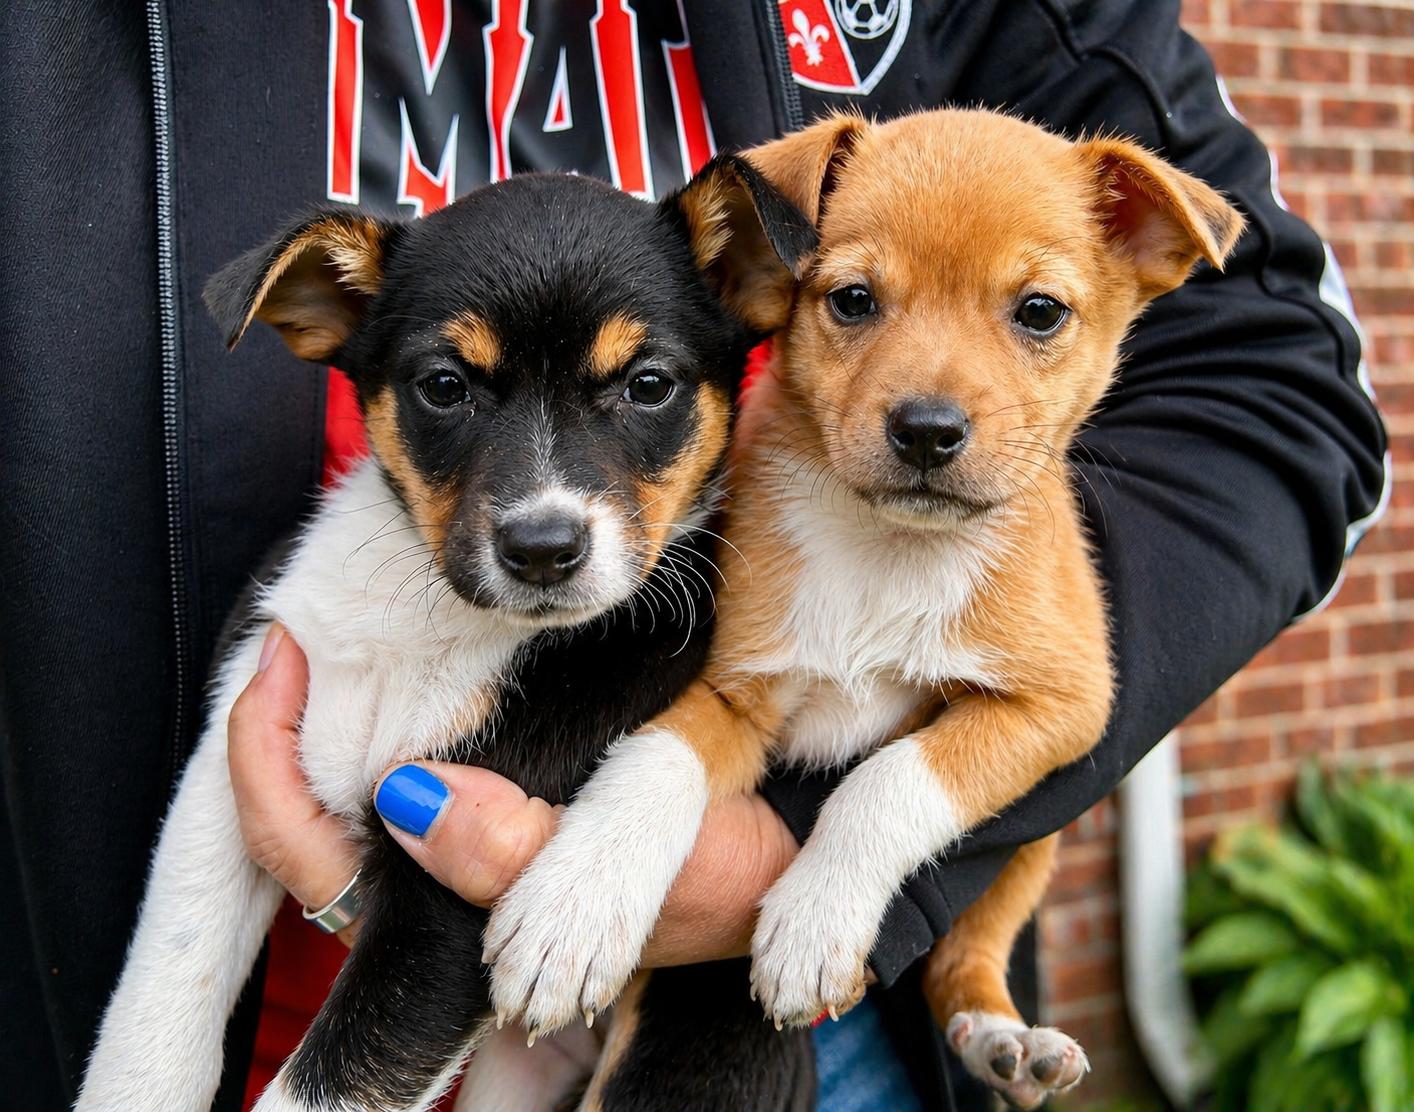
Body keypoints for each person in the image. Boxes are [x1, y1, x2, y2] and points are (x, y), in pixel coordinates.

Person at [0, 2, 1387, 1109]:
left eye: (1031, 313)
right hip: (115, 926)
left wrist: (850, 863)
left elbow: (1273, 374)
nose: (929, 393)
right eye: (849, 300)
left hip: (775, 988)